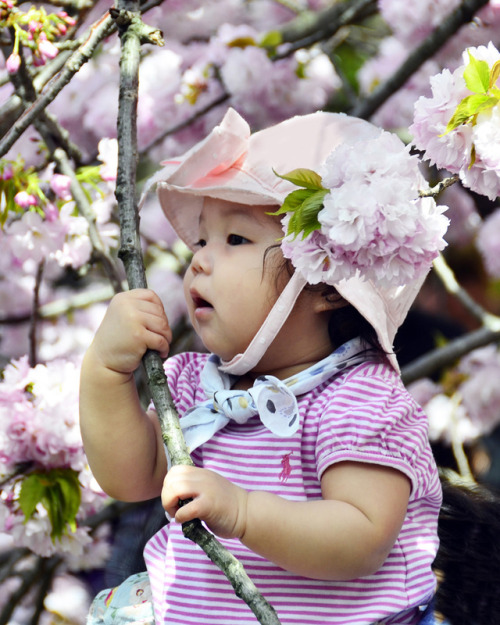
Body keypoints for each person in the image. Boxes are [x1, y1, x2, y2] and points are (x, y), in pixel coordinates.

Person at [80, 108, 449, 625]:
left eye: (235, 240)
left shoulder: (360, 399)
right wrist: (106, 372)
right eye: (202, 240)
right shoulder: (193, 383)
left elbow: (361, 537)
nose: (200, 261)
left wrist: (243, 512)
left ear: (324, 283)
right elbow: (132, 476)